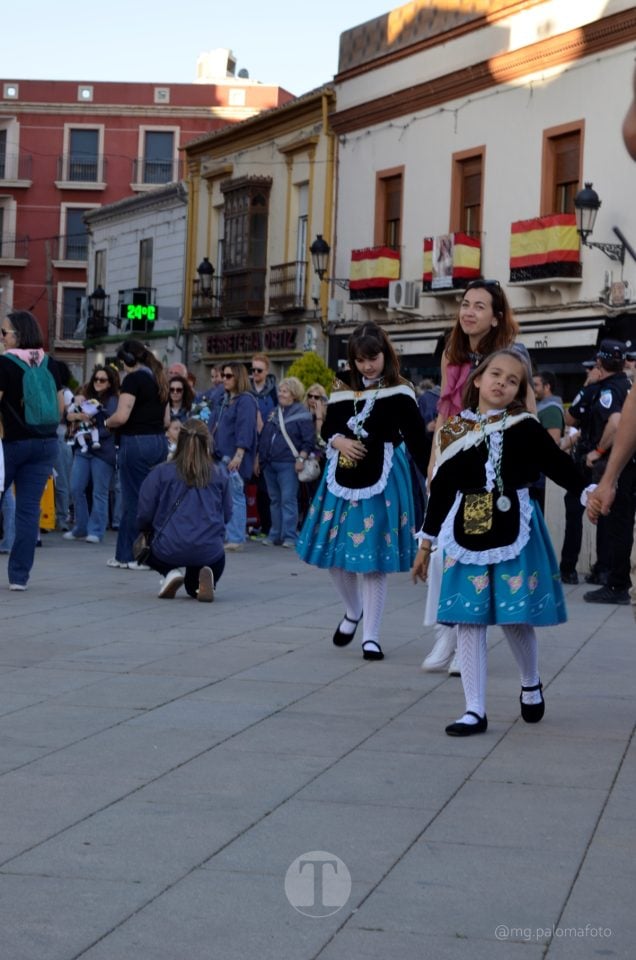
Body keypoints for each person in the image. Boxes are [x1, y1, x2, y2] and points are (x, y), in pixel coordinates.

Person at [412, 350, 585, 736]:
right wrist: (426, 543)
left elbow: (556, 466)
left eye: (512, 381)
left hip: (515, 528)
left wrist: (589, 491)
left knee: (514, 616)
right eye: (495, 374)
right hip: (466, 528)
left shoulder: (525, 426)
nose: (501, 383)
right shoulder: (455, 429)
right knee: (468, 619)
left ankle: (530, 681)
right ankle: (474, 709)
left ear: (519, 391)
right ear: (476, 380)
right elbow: (441, 490)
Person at [296, 322, 431, 662]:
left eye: (373, 358)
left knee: (372, 562)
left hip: (384, 477)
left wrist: (434, 473)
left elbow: (416, 437)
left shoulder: (401, 389)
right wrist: (338, 440)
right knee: (335, 554)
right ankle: (352, 610)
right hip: (341, 476)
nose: (367, 366)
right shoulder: (342, 383)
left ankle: (371, 635)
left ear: (386, 353)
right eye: (360, 360)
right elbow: (329, 426)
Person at [421, 278, 532, 674]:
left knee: (474, 553)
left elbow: (527, 414)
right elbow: (444, 413)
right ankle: (445, 632)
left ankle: (464, 636)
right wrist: (436, 461)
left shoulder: (511, 355)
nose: (468, 312)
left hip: (492, 469)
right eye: (465, 304)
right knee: (437, 551)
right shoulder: (452, 355)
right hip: (454, 456)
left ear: (496, 316)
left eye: (479, 306)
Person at [560, 340, 630, 597]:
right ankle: (609, 574)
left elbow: (615, 421)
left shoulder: (607, 389)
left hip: (609, 463)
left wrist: (598, 451)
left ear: (599, 362)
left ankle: (612, 580)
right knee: (612, 520)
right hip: (622, 464)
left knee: (607, 519)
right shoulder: (627, 385)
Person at [0, 310, 64, 590]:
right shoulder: (53, 364)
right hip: (46, 444)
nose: (1, 338)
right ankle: (19, 578)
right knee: (28, 511)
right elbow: (61, 409)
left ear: (18, 335)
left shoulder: (4, 364)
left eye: (4, 333)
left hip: (9, 444)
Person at [137, 418, 232, 601]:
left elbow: (145, 512)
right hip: (208, 549)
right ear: (207, 442)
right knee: (192, 588)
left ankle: (170, 572)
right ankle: (206, 575)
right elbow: (227, 513)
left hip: (168, 546)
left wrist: (145, 529)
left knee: (140, 547)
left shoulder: (161, 472)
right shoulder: (219, 474)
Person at [103, 339, 169, 570]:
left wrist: (106, 421)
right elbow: (167, 420)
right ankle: (145, 554)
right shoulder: (160, 378)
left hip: (136, 443)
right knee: (152, 500)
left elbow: (121, 416)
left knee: (133, 501)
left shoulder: (133, 379)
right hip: (159, 442)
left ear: (127, 360)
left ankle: (129, 556)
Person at [63, 365, 120, 544]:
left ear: (110, 383)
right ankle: (81, 527)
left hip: (102, 451)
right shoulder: (86, 396)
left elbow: (112, 426)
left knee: (99, 492)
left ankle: (96, 530)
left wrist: (92, 431)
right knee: (76, 488)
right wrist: (76, 417)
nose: (98, 383)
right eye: (96, 379)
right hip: (83, 448)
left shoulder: (113, 400)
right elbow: (69, 415)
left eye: (102, 380)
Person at [256, 376, 315, 548]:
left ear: (294, 394)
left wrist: (301, 458)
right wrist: (261, 458)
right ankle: (275, 534)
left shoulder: (301, 413)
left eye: (285, 391)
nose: (280, 394)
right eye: (280, 390)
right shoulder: (275, 412)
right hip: (270, 463)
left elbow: (308, 440)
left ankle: (289, 536)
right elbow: (266, 436)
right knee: (274, 500)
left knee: (288, 500)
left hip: (289, 463)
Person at [210, 361, 258, 550]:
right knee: (222, 498)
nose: (224, 379)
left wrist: (239, 455)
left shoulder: (245, 400)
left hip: (233, 457)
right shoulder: (224, 399)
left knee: (235, 496)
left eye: (229, 376)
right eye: (223, 375)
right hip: (220, 455)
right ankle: (226, 535)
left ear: (239, 377)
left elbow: (245, 428)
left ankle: (236, 538)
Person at [250, 353, 277, 540]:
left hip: (267, 445)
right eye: (252, 370)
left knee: (264, 488)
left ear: (267, 371)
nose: (255, 373)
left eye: (259, 370)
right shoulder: (246, 390)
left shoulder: (274, 392)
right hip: (247, 442)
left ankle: (267, 526)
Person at [530, 370, 565, 512]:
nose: (532, 389)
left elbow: (553, 441)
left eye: (536, 385)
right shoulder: (539, 406)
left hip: (540, 475)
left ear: (547, 387)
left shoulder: (551, 409)